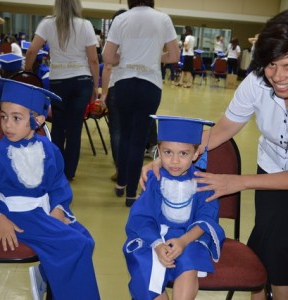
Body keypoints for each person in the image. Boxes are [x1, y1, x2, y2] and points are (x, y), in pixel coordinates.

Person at [140, 9, 288, 300]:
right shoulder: (257, 83)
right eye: (271, 65)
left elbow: (238, 183)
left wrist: (239, 182)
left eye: (286, 65)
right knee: (271, 243)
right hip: (272, 166)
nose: (277, 76)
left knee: (278, 247)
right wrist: (168, 158)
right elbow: (220, 131)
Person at [0, 76, 100, 300]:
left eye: (16, 118)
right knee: (74, 244)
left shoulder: (50, 150)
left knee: (86, 240)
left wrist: (59, 207)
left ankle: (50, 280)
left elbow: (58, 184)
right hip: (16, 217)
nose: (7, 125)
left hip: (42, 212)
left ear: (37, 120)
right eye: (4, 117)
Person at [124, 115, 225, 300]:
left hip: (189, 237)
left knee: (190, 258)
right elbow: (142, 217)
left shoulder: (203, 183)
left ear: (196, 154)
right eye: (168, 152)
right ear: (158, 151)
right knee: (144, 261)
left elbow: (207, 219)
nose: (175, 161)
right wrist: (157, 244)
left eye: (183, 154)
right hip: (155, 237)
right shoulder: (154, 179)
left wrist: (183, 241)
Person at [102, 0, 180, 207]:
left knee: (125, 135)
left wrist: (127, 58)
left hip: (124, 83)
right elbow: (174, 56)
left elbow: (108, 56)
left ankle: (121, 183)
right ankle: (131, 194)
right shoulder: (163, 18)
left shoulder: (121, 19)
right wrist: (154, 56)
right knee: (139, 139)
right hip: (150, 84)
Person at [25, 0, 99, 181]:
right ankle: (69, 174)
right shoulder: (86, 25)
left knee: (58, 127)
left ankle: (56, 170)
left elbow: (31, 51)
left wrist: (27, 74)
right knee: (75, 129)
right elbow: (93, 60)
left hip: (58, 81)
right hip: (82, 81)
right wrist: (95, 87)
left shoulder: (48, 23)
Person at [99, 9, 127, 182]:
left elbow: (108, 69)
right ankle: (131, 170)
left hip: (117, 88)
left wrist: (104, 95)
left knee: (116, 131)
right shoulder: (138, 42)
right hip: (136, 89)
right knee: (131, 132)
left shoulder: (113, 42)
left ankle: (120, 169)